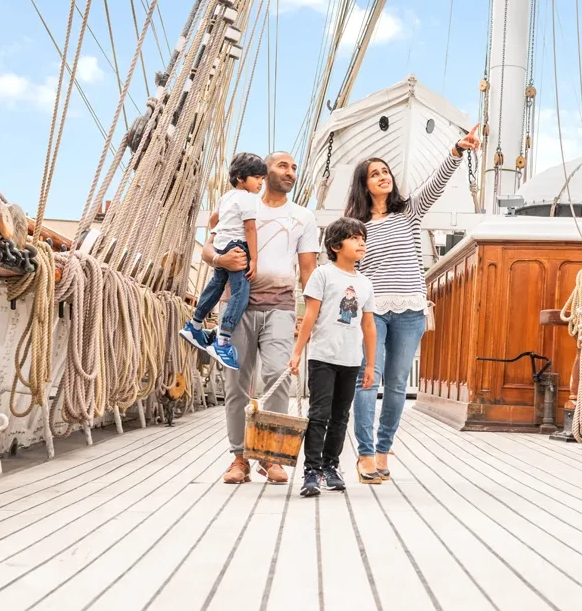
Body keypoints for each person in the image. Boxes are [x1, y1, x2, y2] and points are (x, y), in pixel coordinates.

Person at [344, 124, 481, 480]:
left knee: (398, 385)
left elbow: (436, 183)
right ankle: (364, 454)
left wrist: (457, 150)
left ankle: (384, 449)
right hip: (372, 313)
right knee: (367, 380)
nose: (383, 177)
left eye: (385, 171)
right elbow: (346, 273)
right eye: (375, 174)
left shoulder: (408, 213)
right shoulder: (354, 226)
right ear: (364, 184)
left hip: (410, 312)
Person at [201, 152, 319, 485]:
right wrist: (221, 260)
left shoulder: (303, 217)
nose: (291, 172)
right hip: (236, 306)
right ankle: (239, 457)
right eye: (283, 166)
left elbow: (307, 270)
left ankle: (271, 456)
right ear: (262, 173)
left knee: (277, 376)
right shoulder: (238, 203)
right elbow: (207, 250)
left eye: (295, 167)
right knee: (236, 382)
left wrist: (311, 312)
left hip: (281, 306)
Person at [289, 218, 377, 496]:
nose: (361, 242)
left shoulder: (365, 283)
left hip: (351, 360)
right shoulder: (322, 275)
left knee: (340, 417)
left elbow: (369, 325)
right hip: (323, 357)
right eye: (353, 238)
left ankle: (331, 466)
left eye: (362, 237)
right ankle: (311, 470)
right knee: (319, 415)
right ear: (335, 246)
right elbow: (310, 315)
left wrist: (371, 364)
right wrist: (297, 351)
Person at [180, 152, 267, 370]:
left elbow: (212, 220)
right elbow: (250, 228)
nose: (260, 183)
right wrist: (254, 259)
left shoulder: (226, 197)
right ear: (241, 177)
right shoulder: (248, 199)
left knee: (216, 285)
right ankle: (223, 340)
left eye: (262, 179)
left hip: (221, 243)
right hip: (237, 246)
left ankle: (195, 325)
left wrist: (221, 234)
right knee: (240, 294)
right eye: (257, 178)